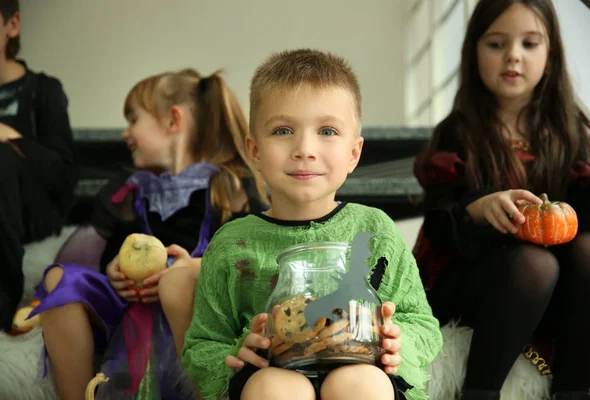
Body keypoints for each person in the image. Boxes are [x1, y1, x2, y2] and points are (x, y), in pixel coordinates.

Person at [181, 49, 442, 400]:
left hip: (366, 373)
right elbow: (203, 343)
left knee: (358, 384)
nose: (305, 148)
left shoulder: (374, 230)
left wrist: (397, 338)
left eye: (328, 131)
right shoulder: (233, 244)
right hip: (270, 376)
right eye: (283, 130)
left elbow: (422, 322)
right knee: (274, 389)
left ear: (354, 153)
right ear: (254, 150)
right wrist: (239, 351)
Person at [28, 68, 267, 400]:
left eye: (133, 119)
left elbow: (256, 256)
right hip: (131, 317)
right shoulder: (130, 191)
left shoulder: (227, 186)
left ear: (172, 120)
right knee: (58, 278)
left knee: (180, 282)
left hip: (197, 316)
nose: (126, 133)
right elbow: (89, 255)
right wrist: (112, 271)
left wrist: (196, 267)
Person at [413, 1, 590, 399]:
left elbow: (587, 214)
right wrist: (477, 210)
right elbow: (437, 221)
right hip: (472, 276)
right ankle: (479, 392)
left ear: (550, 57)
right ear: (474, 52)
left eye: (529, 44)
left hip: (551, 289)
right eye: (497, 44)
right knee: (534, 262)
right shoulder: (459, 132)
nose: (513, 55)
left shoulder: (567, 132)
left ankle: (572, 392)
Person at [0, 0, 78, 331]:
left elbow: (62, 175)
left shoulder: (44, 91)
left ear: (12, 25)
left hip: (32, 210)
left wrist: (12, 139)